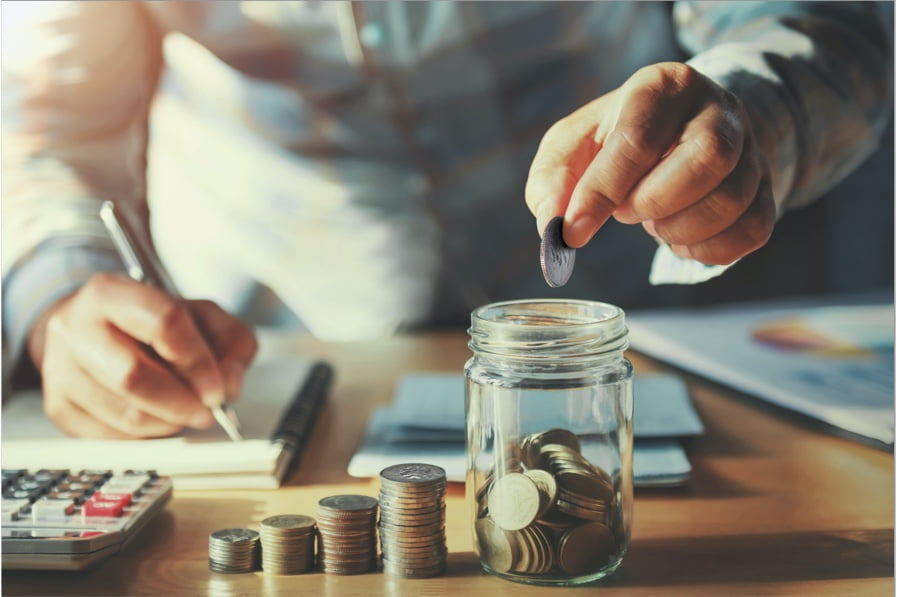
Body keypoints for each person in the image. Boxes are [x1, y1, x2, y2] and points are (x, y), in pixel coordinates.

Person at [2, 2, 891, 439]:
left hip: (657, 337)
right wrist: (59, 289)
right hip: (277, 369)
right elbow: (45, 122)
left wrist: (746, 115)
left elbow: (832, 22)